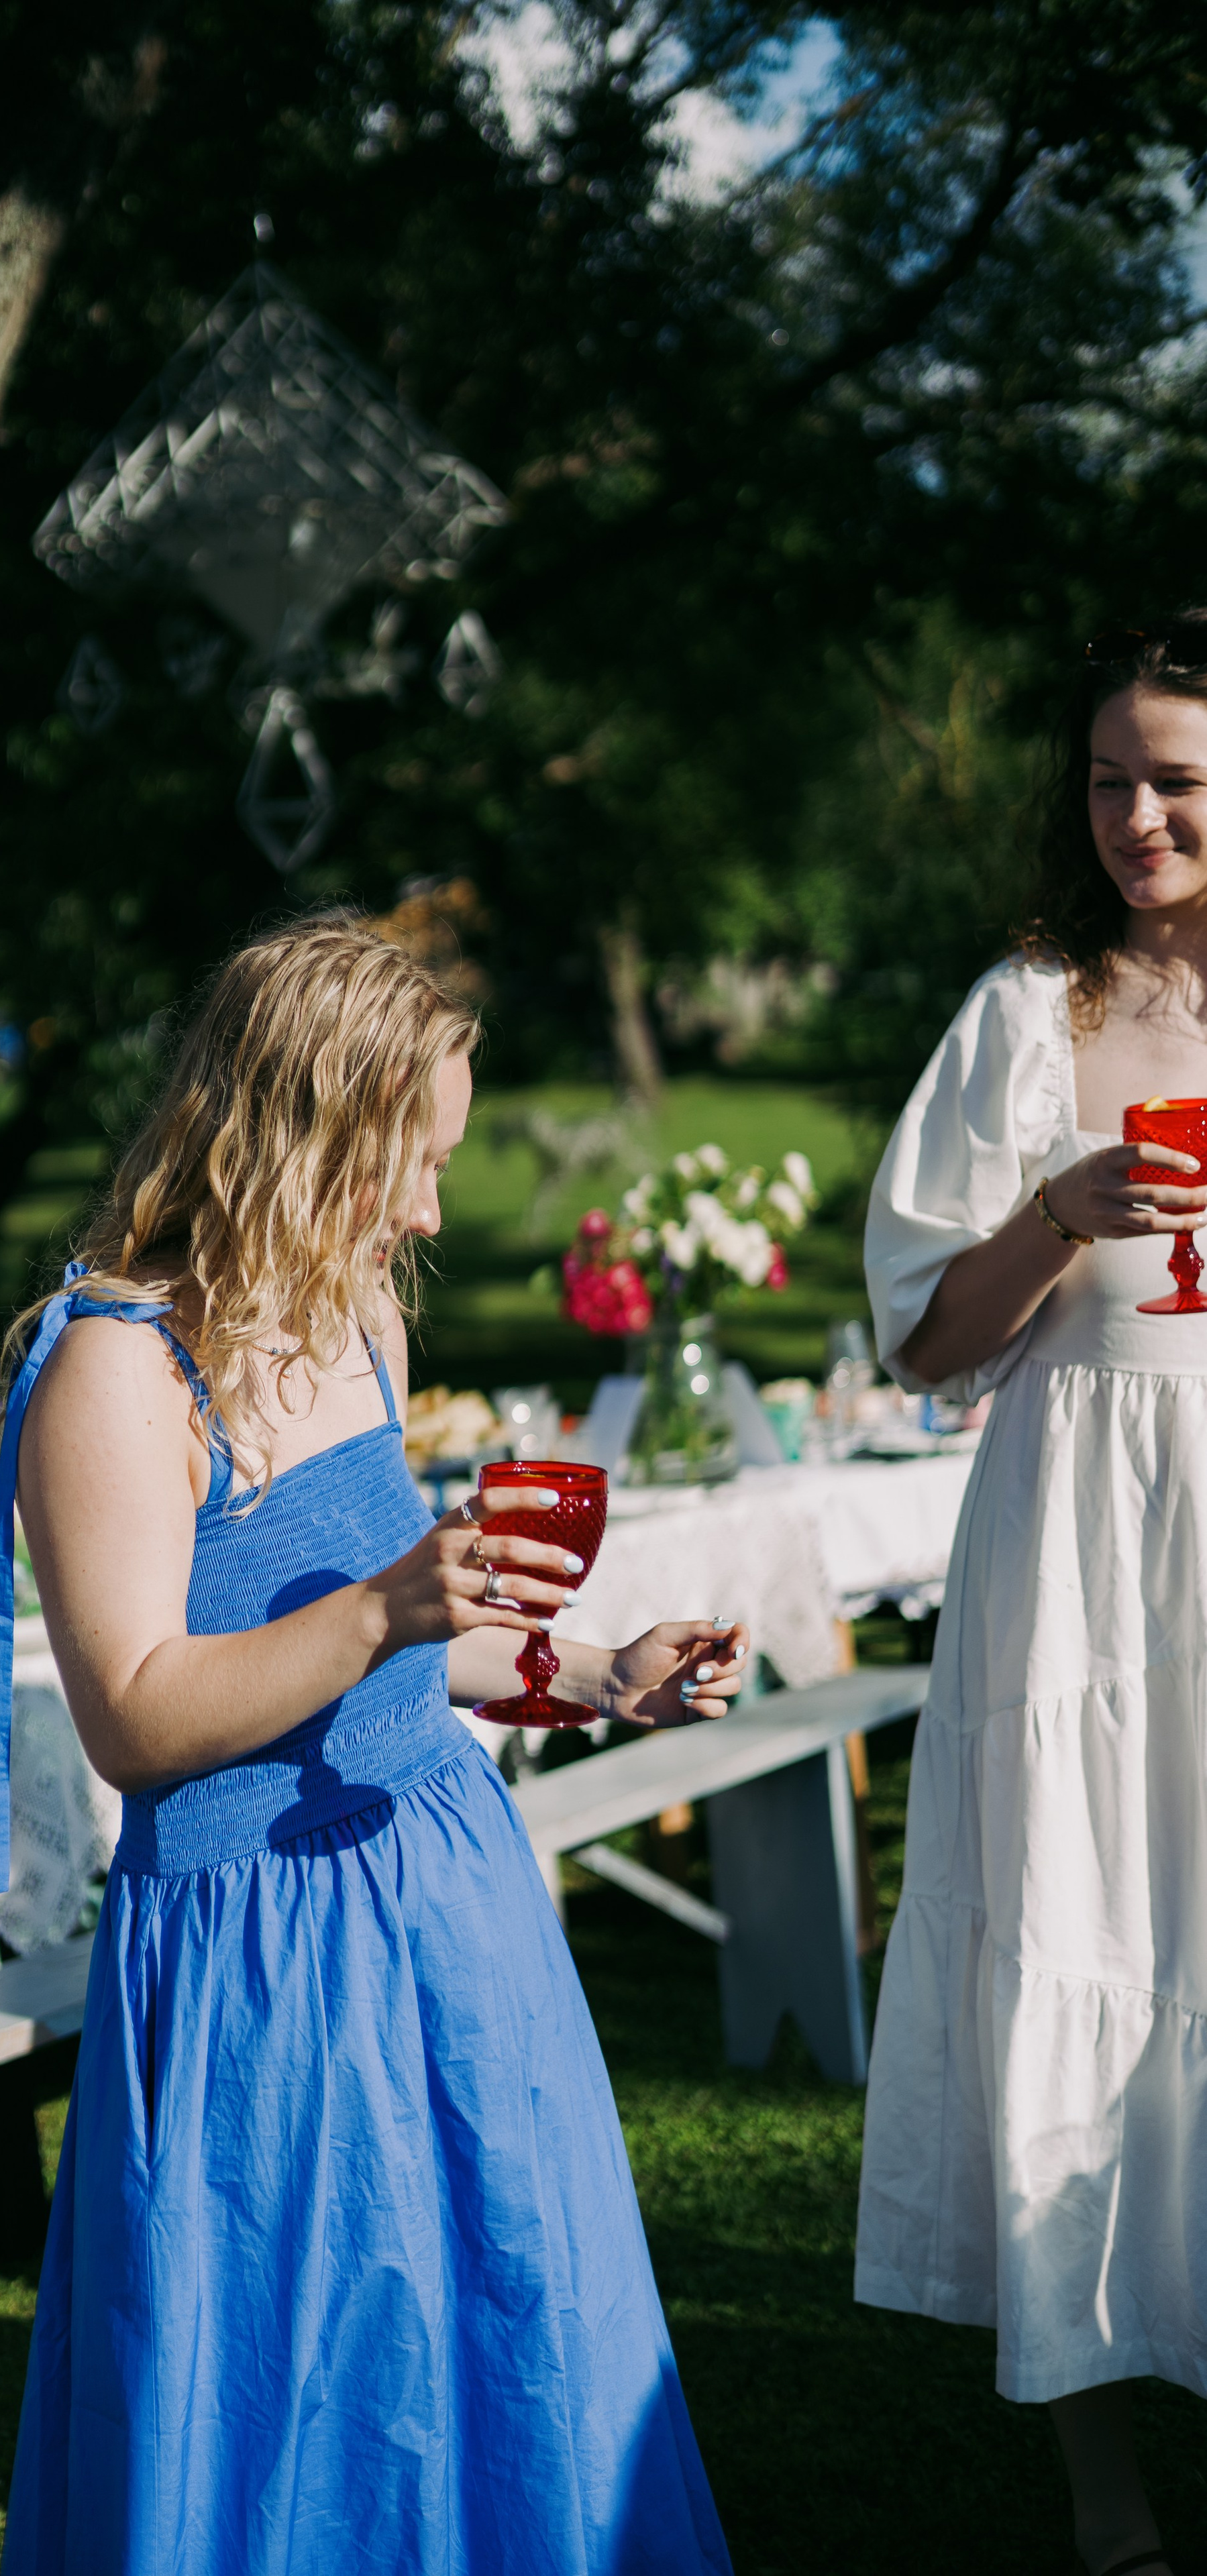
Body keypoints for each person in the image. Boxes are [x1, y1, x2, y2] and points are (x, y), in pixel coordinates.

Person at [0, 914, 745, 2576]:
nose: (426, 1211)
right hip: (258, 1956)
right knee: (298, 2400)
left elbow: (404, 1653)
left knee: (510, 2338)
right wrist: (386, 1607)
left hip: (441, 1899)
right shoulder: (115, 1371)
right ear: (293, 1129)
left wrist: (595, 1669)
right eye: (408, 1163)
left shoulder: (363, 1325)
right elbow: (133, 1716)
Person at [855, 613, 1207, 2576]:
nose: (1135, 815)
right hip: (1075, 1533)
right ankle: (1107, 2492)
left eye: (1176, 778)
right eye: (1107, 778)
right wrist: (1053, 1216)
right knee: (1077, 1920)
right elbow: (923, 1344)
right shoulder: (1027, 1011)